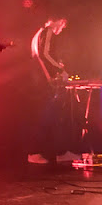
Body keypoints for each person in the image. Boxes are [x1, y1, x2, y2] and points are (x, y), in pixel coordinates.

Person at [28, 18, 77, 164]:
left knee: (51, 117)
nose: (62, 29)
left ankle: (57, 152)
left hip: (40, 81)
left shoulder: (40, 32)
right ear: (59, 20)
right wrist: (60, 69)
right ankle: (38, 152)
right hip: (44, 83)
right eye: (63, 25)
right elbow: (45, 54)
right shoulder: (48, 31)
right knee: (49, 117)